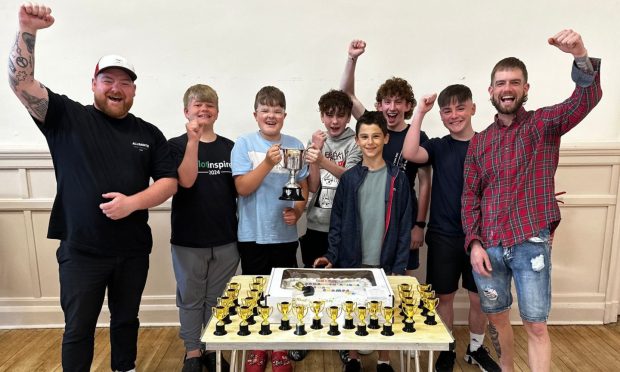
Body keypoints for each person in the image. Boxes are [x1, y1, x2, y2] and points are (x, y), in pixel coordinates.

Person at [8, 4, 178, 372]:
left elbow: (168, 182)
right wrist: (27, 30)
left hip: (132, 250)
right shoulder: (67, 117)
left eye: (125, 82)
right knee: (79, 328)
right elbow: (21, 84)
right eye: (108, 80)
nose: (116, 88)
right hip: (81, 250)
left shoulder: (149, 133)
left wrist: (132, 203)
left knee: (126, 320)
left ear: (134, 89)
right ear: (94, 83)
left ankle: (125, 367)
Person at [462, 30, 602, 372]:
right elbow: (469, 197)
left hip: (530, 243)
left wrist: (580, 55)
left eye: (514, 82)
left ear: (526, 88)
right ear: (491, 91)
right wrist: (474, 243)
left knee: (536, 325)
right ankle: (507, 368)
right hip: (490, 248)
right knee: (498, 320)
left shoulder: (544, 124)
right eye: (500, 83)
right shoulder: (479, 143)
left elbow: (584, 100)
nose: (507, 88)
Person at [402, 86, 500, 372]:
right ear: (442, 116)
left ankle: (476, 348)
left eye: (460, 108)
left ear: (473, 108)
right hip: (444, 234)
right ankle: (446, 346)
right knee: (443, 296)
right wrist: (420, 111)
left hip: (482, 237)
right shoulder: (438, 145)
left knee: (477, 297)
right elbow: (410, 151)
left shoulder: (488, 143)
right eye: (447, 111)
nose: (454, 115)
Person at [314, 111, 411, 372]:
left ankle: (384, 359)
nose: (370, 142)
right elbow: (336, 223)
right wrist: (332, 255)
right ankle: (354, 357)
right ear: (357, 141)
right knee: (353, 309)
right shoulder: (348, 179)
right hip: (352, 259)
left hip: (385, 260)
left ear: (386, 138)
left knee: (384, 310)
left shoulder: (398, 179)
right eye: (365, 137)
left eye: (376, 136)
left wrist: (399, 266)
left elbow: (403, 227)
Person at [231, 86, 308, 372]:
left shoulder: (295, 143)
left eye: (277, 110)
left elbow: (302, 184)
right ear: (255, 115)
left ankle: (279, 347)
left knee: (283, 293)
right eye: (265, 110)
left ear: (284, 115)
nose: (271, 115)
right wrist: (266, 162)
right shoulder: (244, 144)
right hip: (252, 234)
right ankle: (257, 347)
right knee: (256, 293)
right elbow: (242, 187)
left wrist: (298, 210)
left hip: (284, 235)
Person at [340, 39, 430, 276]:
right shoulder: (372, 125)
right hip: (368, 215)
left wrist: (419, 225)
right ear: (379, 106)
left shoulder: (417, 135)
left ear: (408, 106)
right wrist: (352, 58)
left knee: (401, 279)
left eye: (398, 102)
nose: (392, 107)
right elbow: (346, 95)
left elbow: (425, 183)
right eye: (387, 101)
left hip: (403, 216)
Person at [168, 84, 239, 372]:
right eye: (197, 105)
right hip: (188, 238)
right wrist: (193, 140)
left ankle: (212, 347)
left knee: (217, 299)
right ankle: (193, 351)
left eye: (209, 105)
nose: (203, 109)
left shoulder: (231, 147)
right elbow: (185, 181)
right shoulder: (174, 145)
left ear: (217, 112)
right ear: (186, 111)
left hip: (225, 237)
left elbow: (240, 190)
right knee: (190, 299)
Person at [300, 89, 362, 268]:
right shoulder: (316, 141)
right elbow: (312, 186)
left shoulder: (356, 141)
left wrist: (321, 159)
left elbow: (350, 179)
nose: (334, 121)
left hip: (345, 226)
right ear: (321, 116)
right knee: (314, 281)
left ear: (349, 117)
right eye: (329, 115)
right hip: (316, 224)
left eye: (341, 115)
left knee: (345, 281)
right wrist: (315, 151)